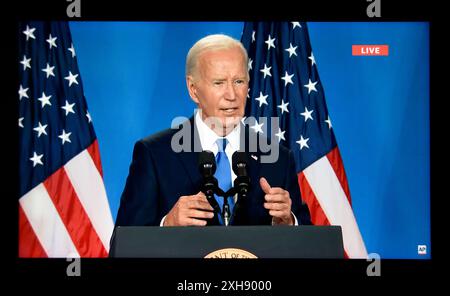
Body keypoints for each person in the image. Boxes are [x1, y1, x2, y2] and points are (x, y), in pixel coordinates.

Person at [115, 34, 311, 227]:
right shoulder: (155, 154)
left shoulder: (278, 158)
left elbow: (309, 246)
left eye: (239, 81)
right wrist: (167, 225)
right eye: (219, 83)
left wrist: (289, 223)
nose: (231, 95)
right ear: (193, 89)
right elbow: (122, 245)